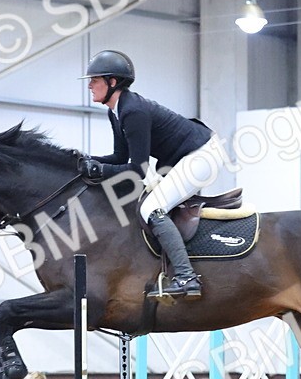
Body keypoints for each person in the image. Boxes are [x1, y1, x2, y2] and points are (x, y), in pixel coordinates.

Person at [80, 49, 223, 301]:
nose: (90, 85)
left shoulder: (132, 110)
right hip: (184, 157)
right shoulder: (116, 111)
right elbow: (118, 158)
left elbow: (138, 170)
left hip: (202, 157)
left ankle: (187, 277)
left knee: (152, 209)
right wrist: (84, 160)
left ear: (113, 82)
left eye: (95, 79)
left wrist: (99, 170)